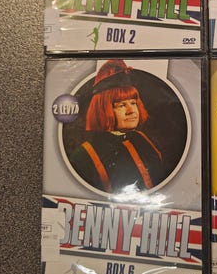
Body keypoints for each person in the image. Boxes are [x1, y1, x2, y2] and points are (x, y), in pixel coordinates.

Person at [68, 59, 164, 194]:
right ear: (103, 110)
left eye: (133, 103)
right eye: (121, 105)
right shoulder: (83, 156)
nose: (131, 111)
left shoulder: (142, 139)